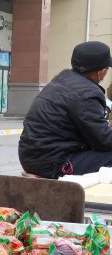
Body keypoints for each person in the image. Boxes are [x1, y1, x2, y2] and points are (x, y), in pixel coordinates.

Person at [19, 41, 112, 178]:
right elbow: (104, 141)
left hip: (32, 155)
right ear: (101, 72)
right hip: (53, 161)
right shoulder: (87, 93)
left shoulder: (61, 80)